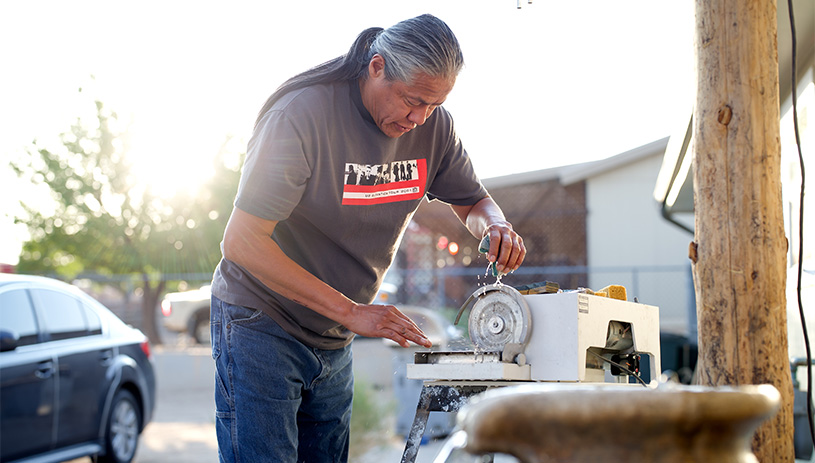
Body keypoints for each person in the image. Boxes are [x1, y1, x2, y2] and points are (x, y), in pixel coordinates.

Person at [210, 13, 526, 463]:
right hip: (262, 321)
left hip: (334, 333)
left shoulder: (434, 128)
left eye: (433, 106)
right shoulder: (300, 115)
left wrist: (495, 225)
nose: (419, 119)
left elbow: (475, 202)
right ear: (376, 68)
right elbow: (241, 243)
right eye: (412, 100)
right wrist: (352, 311)